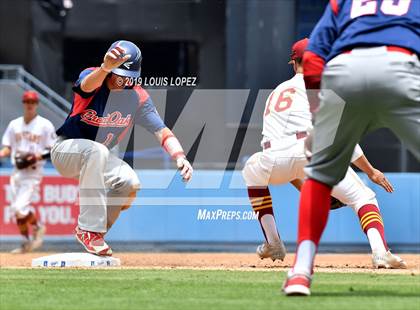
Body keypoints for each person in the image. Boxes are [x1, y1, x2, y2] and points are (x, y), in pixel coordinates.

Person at [283, 1, 419, 296]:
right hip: (401, 67)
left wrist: (321, 117)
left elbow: (315, 57)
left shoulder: (343, 2)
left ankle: (301, 272)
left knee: (319, 177)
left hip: (346, 72)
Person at [242, 38, 405, 270]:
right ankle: (380, 252)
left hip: (273, 157)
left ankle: (273, 242)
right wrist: (371, 171)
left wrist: (301, 182)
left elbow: (288, 155)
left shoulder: (276, 92)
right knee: (364, 198)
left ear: (293, 63)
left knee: (251, 173)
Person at [51, 40, 193, 256]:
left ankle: (93, 235)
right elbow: (86, 86)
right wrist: (105, 68)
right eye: (118, 73)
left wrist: (180, 155)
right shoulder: (94, 77)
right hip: (66, 150)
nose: (122, 80)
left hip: (98, 156)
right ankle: (90, 229)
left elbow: (161, 130)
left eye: (128, 77)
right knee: (96, 151)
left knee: (129, 183)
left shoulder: (138, 97)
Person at [0, 90, 56, 253]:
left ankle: (38, 227)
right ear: (23, 104)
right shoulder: (14, 124)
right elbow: (7, 148)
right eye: (27, 102)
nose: (30, 104)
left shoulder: (45, 125)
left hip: (32, 173)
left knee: (18, 207)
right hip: (16, 171)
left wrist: (36, 157)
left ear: (37, 104)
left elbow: (53, 150)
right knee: (18, 211)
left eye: (33, 102)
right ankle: (26, 242)